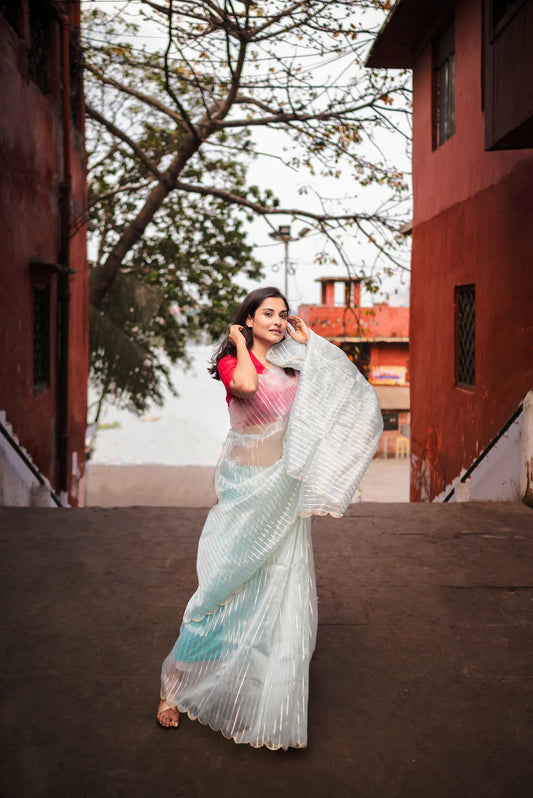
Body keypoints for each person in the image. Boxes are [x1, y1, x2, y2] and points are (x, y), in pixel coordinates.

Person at [156, 287, 383, 749]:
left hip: (284, 496)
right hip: (246, 495)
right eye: (268, 314)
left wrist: (311, 342)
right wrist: (240, 345)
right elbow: (244, 388)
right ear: (249, 319)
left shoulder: (292, 365)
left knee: (282, 593)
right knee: (219, 590)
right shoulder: (233, 363)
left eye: (283, 314)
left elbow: (344, 387)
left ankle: (267, 698)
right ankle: (175, 687)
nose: (278, 321)